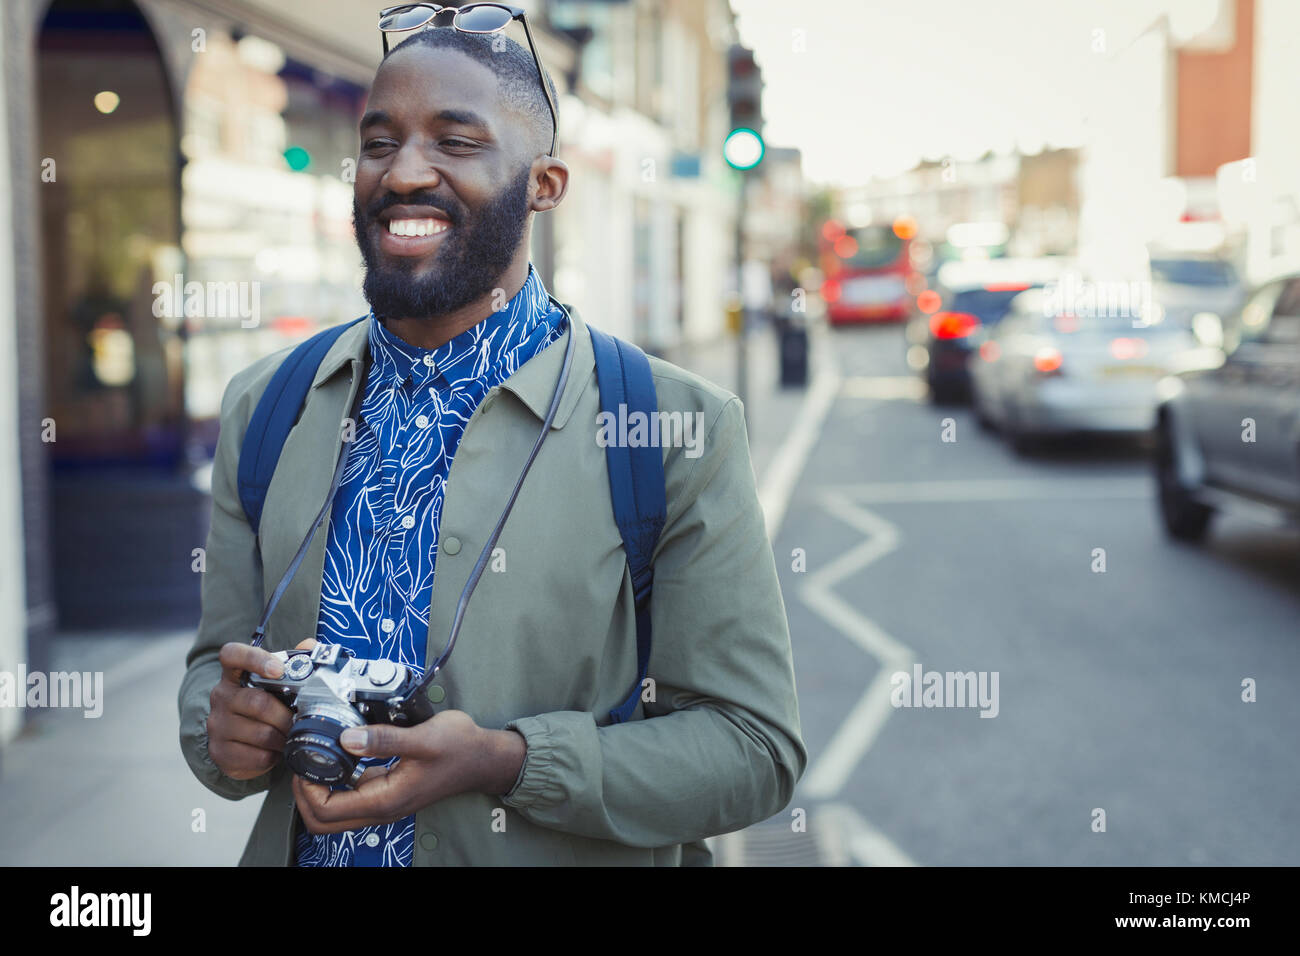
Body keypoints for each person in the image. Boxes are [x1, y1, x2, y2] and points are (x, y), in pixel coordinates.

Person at [178, 19, 805, 867]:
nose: (402, 173)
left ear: (543, 184)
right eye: (379, 142)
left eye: (456, 141)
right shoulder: (266, 407)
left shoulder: (673, 430)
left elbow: (753, 751)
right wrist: (225, 733)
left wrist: (509, 762)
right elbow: (213, 668)